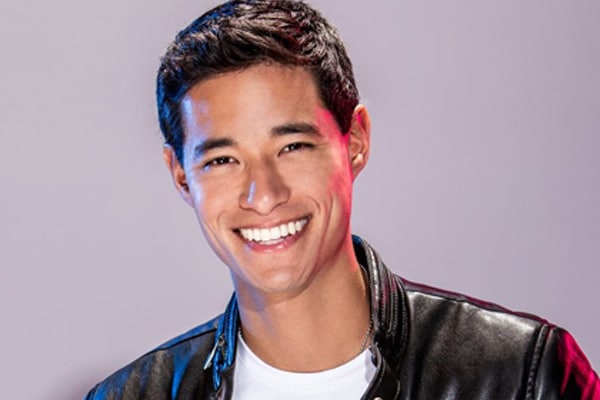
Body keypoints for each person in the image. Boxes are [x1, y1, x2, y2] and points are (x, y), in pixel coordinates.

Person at [84, 0, 599, 398]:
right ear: (181, 177)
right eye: (222, 160)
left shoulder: (521, 374)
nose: (264, 195)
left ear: (355, 140)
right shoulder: (132, 396)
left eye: (292, 147)